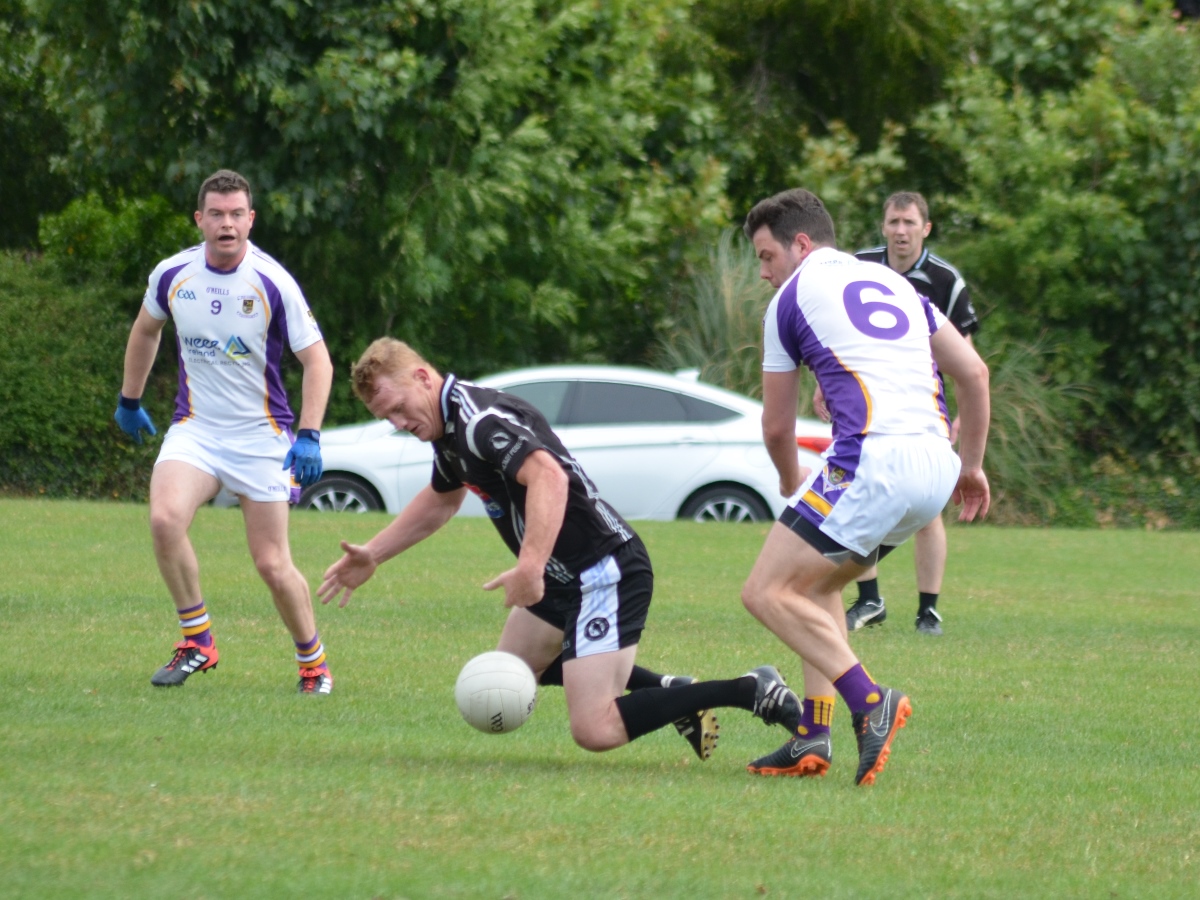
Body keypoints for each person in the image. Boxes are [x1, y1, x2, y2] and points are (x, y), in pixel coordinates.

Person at [318, 338, 804, 761]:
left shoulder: (479, 421)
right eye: (388, 418)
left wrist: (529, 567)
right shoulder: (447, 431)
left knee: (594, 728)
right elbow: (442, 501)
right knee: (512, 670)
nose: (400, 422)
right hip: (559, 576)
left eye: (399, 408)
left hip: (603, 568)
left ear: (423, 377)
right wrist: (373, 554)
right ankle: (669, 691)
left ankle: (748, 690)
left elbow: (547, 475)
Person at [739, 188, 990, 784]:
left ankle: (871, 701)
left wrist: (788, 481)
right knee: (816, 586)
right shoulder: (896, 284)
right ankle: (812, 736)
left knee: (766, 593)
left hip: (874, 463)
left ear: (801, 244)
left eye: (767, 256)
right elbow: (975, 374)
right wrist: (972, 467)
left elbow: (776, 426)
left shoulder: (790, 298)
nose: (765, 272)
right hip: (935, 466)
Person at [113, 169, 337, 694]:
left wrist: (309, 434)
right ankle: (198, 641)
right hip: (197, 428)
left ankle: (314, 663)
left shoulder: (272, 282)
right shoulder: (173, 275)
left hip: (262, 437)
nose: (227, 224)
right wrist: (129, 399)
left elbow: (318, 362)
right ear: (200, 219)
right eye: (216, 213)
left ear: (251, 219)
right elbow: (146, 330)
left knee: (271, 563)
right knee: (165, 519)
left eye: (237, 214)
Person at [815, 191, 980, 636]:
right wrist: (821, 384)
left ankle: (928, 610)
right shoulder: (860, 267)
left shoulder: (945, 280)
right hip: (862, 400)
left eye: (909, 222)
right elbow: (837, 331)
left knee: (926, 507)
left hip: (924, 407)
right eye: (893, 222)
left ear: (925, 228)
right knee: (862, 494)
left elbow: (968, 359)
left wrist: (965, 416)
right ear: (883, 226)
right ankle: (869, 599)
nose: (900, 231)